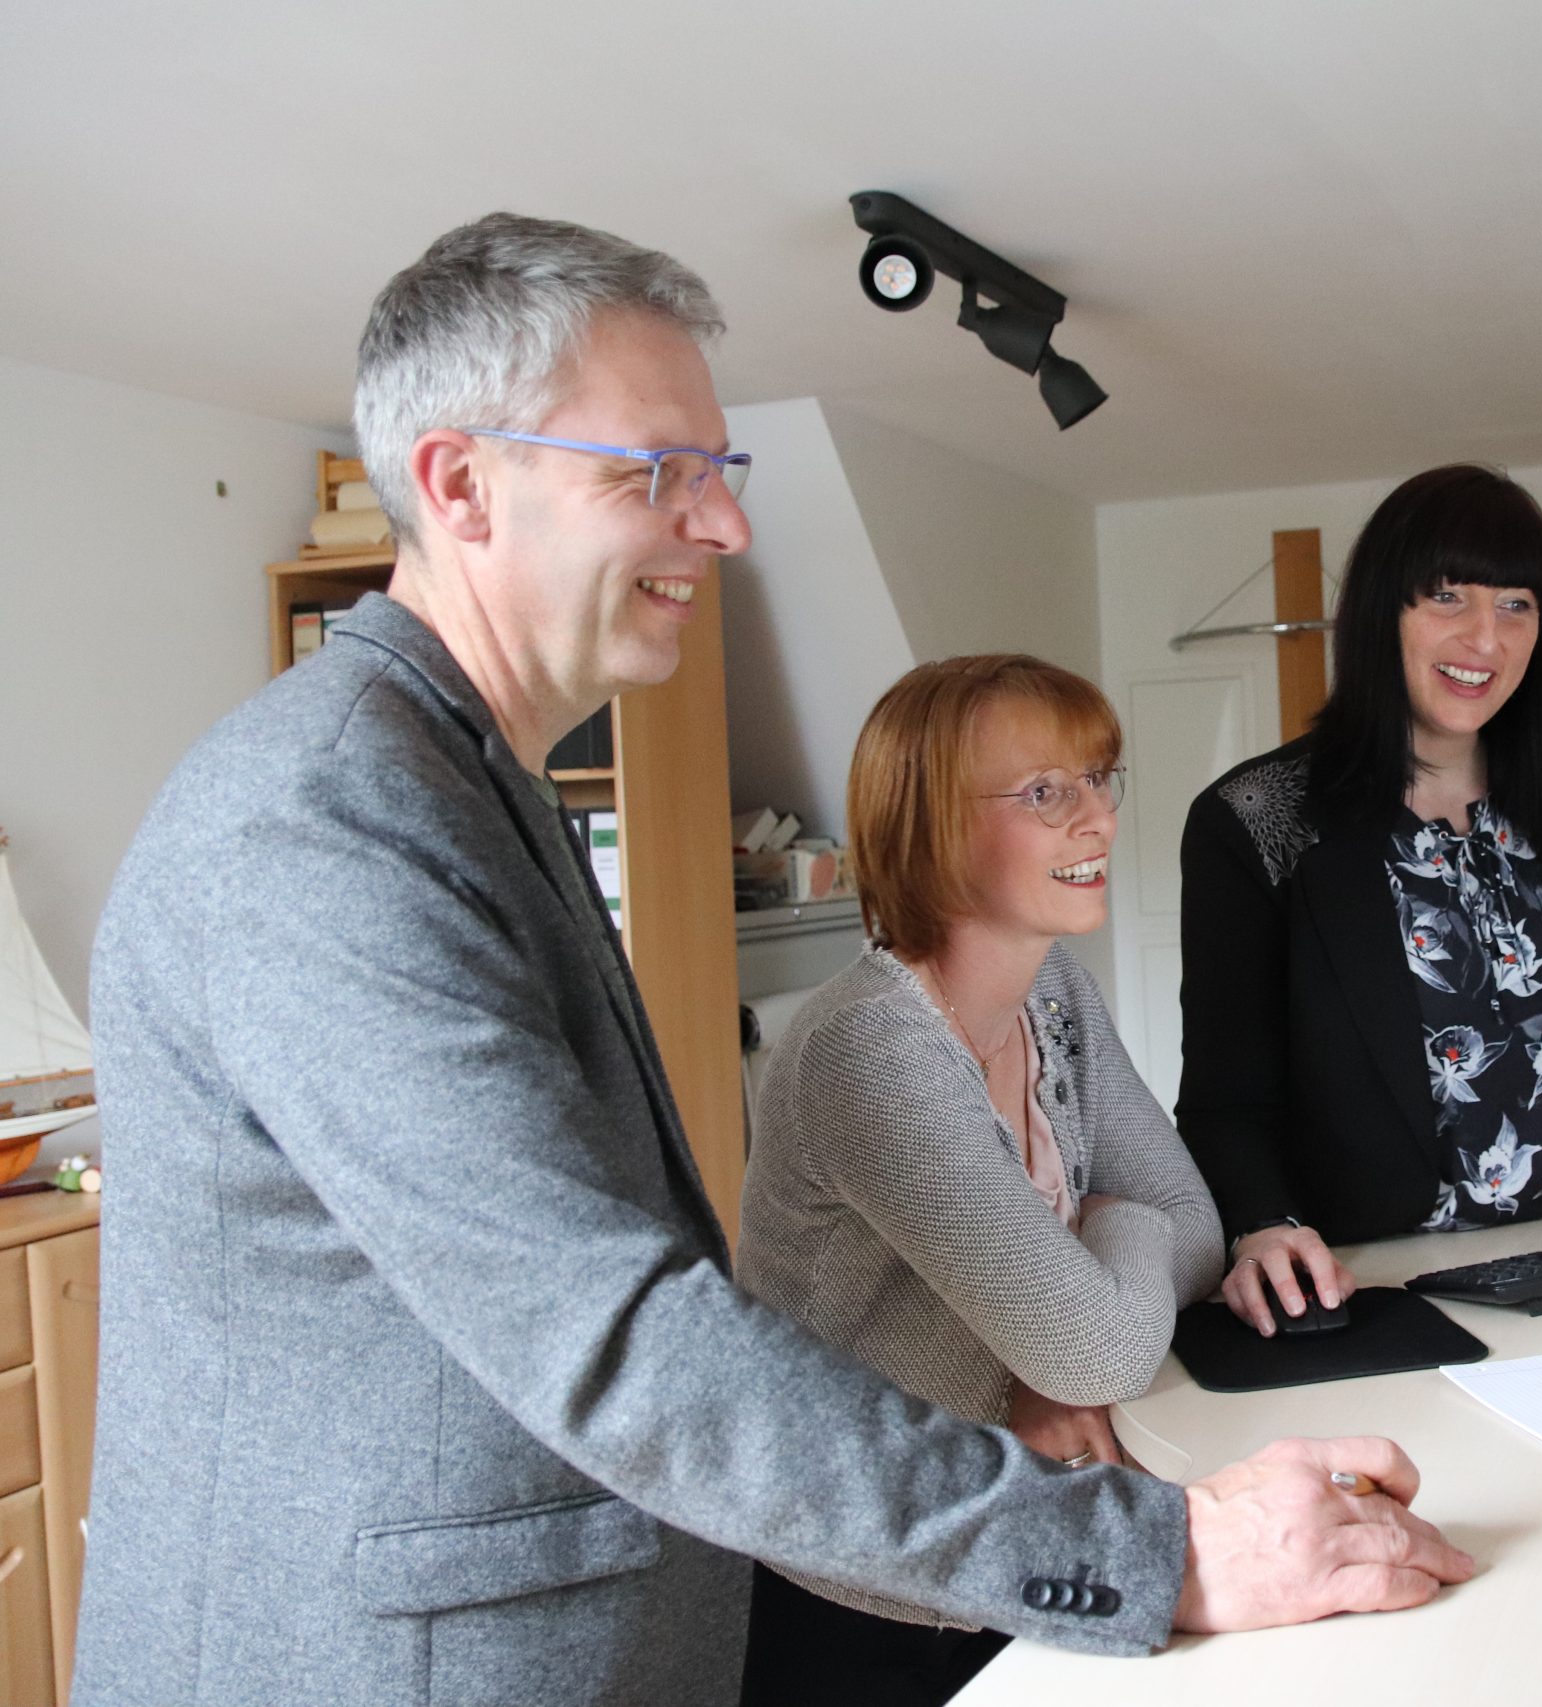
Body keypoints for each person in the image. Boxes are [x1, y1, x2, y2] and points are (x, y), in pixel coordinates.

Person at [77, 214, 1470, 1707]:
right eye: (658, 471)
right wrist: (1158, 1550)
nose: (726, 527)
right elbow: (617, 1335)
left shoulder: (474, 787)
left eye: (719, 471)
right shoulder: (328, 822)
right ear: (461, 484)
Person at [735, 655, 1223, 1706]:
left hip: (1015, 1523)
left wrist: (1067, 1330)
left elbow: (1194, 1224)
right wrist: (1091, 1274)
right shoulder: (868, 1050)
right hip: (865, 1577)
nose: (1098, 818)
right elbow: (1102, 1344)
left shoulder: (1054, 991)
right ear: (929, 827)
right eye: (1045, 792)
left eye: (1097, 779)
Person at [1177, 464, 1542, 1334]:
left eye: (1517, 603)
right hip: (1389, 1281)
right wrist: (1263, 1225)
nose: (1486, 638)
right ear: (1382, 611)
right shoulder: (1257, 817)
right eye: (1448, 596)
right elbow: (1226, 1097)